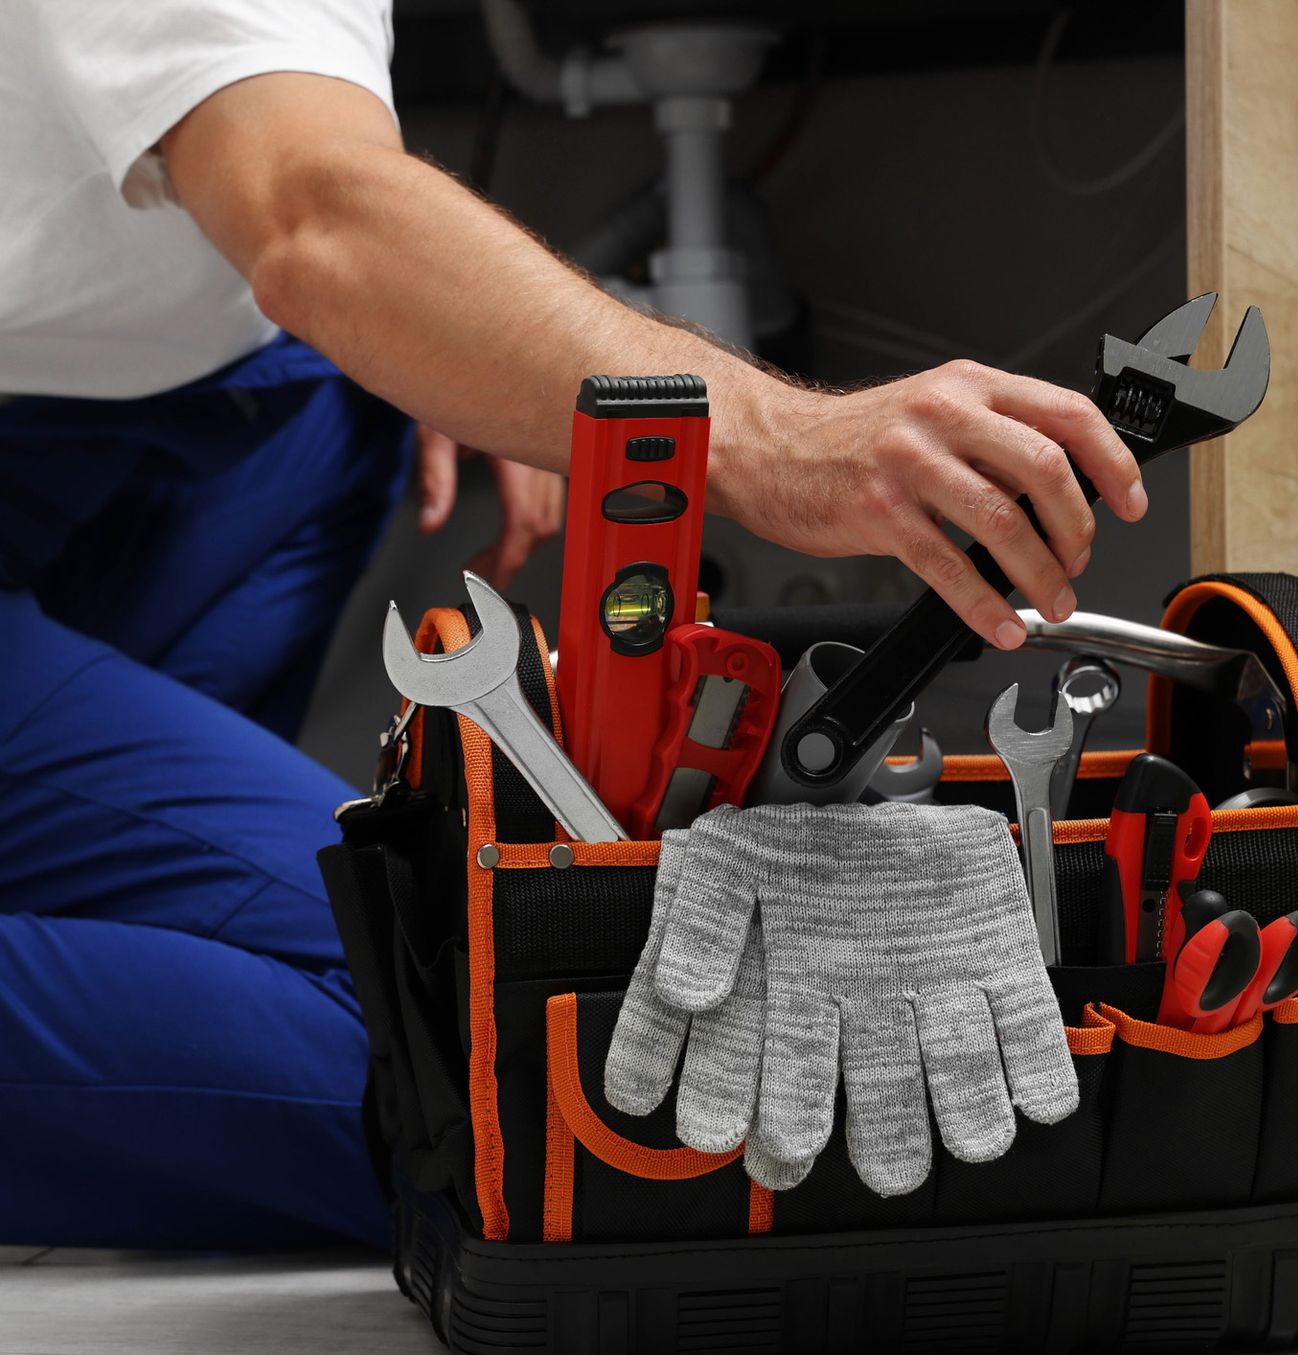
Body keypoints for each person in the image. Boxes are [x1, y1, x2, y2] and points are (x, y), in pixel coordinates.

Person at [0, 3, 1146, 1248]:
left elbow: (275, 180)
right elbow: (312, 215)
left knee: (343, 399)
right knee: (448, 1074)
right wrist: (775, 437)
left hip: (84, 428)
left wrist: (440, 340)